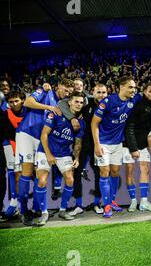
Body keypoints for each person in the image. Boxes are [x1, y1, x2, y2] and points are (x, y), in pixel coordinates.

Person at [15, 79, 73, 225]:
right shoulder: (45, 91)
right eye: (65, 90)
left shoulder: (64, 104)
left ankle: (37, 209)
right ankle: (23, 211)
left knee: (39, 175)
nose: (67, 94)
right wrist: (49, 106)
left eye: (69, 92)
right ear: (58, 86)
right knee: (26, 173)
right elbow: (28, 102)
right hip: (27, 132)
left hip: (41, 138)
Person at [91, 76, 142, 218]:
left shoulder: (134, 99)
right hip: (103, 143)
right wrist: (97, 145)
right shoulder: (108, 102)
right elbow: (94, 123)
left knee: (115, 172)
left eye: (134, 87)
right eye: (130, 87)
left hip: (118, 143)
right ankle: (106, 205)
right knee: (104, 172)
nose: (133, 90)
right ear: (121, 87)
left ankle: (111, 200)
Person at [35, 92, 85, 226]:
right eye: (76, 101)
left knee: (70, 179)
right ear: (69, 102)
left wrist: (77, 158)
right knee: (42, 180)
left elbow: (78, 143)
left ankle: (62, 210)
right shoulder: (56, 114)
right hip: (45, 150)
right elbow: (44, 135)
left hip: (63, 153)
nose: (79, 104)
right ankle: (44, 212)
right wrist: (49, 155)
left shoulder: (81, 122)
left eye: (81, 102)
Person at [59, 84, 108, 216]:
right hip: (85, 143)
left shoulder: (110, 106)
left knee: (99, 173)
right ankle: (78, 204)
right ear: (93, 93)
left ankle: (97, 203)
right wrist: (73, 117)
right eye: (99, 92)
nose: (101, 95)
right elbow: (62, 103)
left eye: (104, 92)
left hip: (101, 144)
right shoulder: (86, 105)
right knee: (77, 171)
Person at [123, 81, 151, 212]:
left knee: (145, 169)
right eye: (150, 91)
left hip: (144, 144)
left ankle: (144, 202)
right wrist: (133, 148)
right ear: (144, 92)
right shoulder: (137, 104)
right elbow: (129, 127)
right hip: (129, 144)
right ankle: (133, 201)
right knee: (130, 171)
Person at [1, 91, 27, 219]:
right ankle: (13, 203)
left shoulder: (29, 111)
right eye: (11, 102)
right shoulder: (5, 114)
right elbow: (8, 132)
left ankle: (35, 207)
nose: (14, 104)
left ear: (22, 100)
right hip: (11, 144)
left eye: (16, 101)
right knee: (13, 174)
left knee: (34, 174)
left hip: (28, 144)